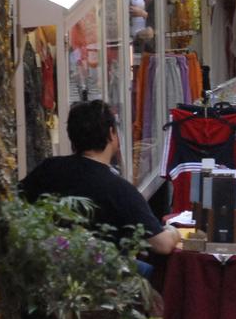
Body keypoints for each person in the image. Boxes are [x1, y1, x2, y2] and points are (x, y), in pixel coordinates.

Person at [20, 99, 178, 256]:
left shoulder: (48, 169)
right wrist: (173, 231)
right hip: (101, 274)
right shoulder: (120, 190)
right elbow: (163, 245)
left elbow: (14, 202)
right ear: (111, 133)